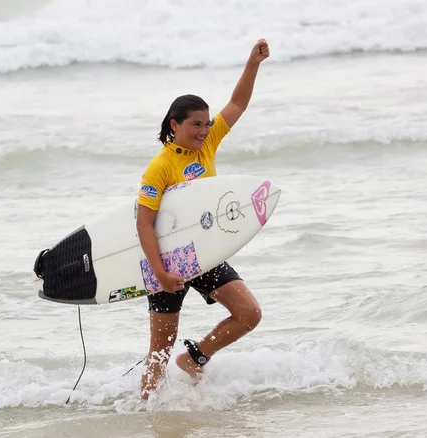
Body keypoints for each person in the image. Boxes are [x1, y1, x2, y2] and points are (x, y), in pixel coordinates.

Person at [135, 39, 270, 399]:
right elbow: (143, 224)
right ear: (175, 125)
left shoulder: (207, 144)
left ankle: (195, 358)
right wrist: (161, 273)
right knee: (159, 352)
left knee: (249, 313)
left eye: (207, 124)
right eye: (196, 124)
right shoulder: (159, 168)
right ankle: (143, 412)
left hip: (205, 254)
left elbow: (238, 103)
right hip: (167, 262)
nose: (203, 130)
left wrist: (252, 64)